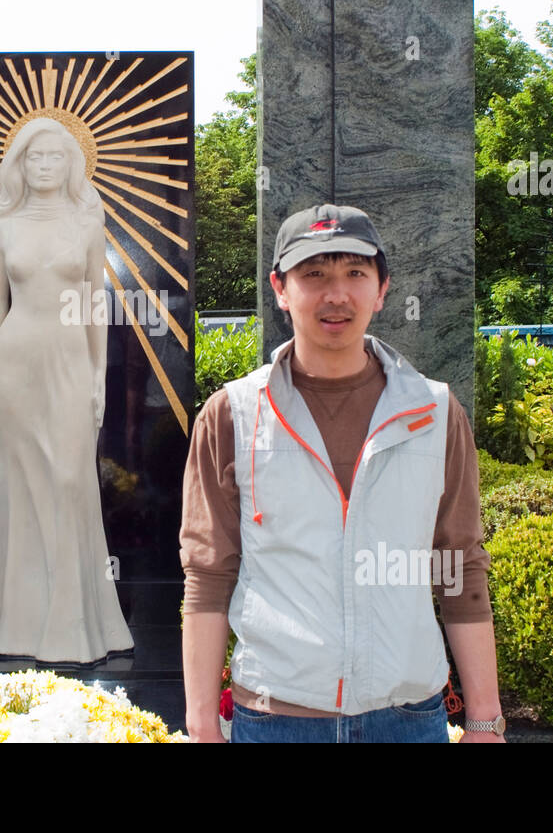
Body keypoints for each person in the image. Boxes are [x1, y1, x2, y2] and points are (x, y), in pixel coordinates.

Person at [180, 204, 505, 742]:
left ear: (382, 289)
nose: (337, 294)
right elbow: (209, 575)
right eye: (314, 275)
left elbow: (460, 567)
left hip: (408, 720)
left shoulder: (435, 413)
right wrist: (200, 725)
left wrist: (485, 720)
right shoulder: (232, 414)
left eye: (355, 273)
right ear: (281, 290)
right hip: (274, 720)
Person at [0, 116, 134, 664]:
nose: (44, 166)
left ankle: (77, 622)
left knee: (69, 480)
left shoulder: (88, 222)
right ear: (19, 163)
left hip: (70, 361)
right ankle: (17, 623)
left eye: (55, 157)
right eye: (34, 157)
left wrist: (99, 375)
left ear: (72, 163)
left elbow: (95, 303)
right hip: (15, 362)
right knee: (22, 489)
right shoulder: (2, 225)